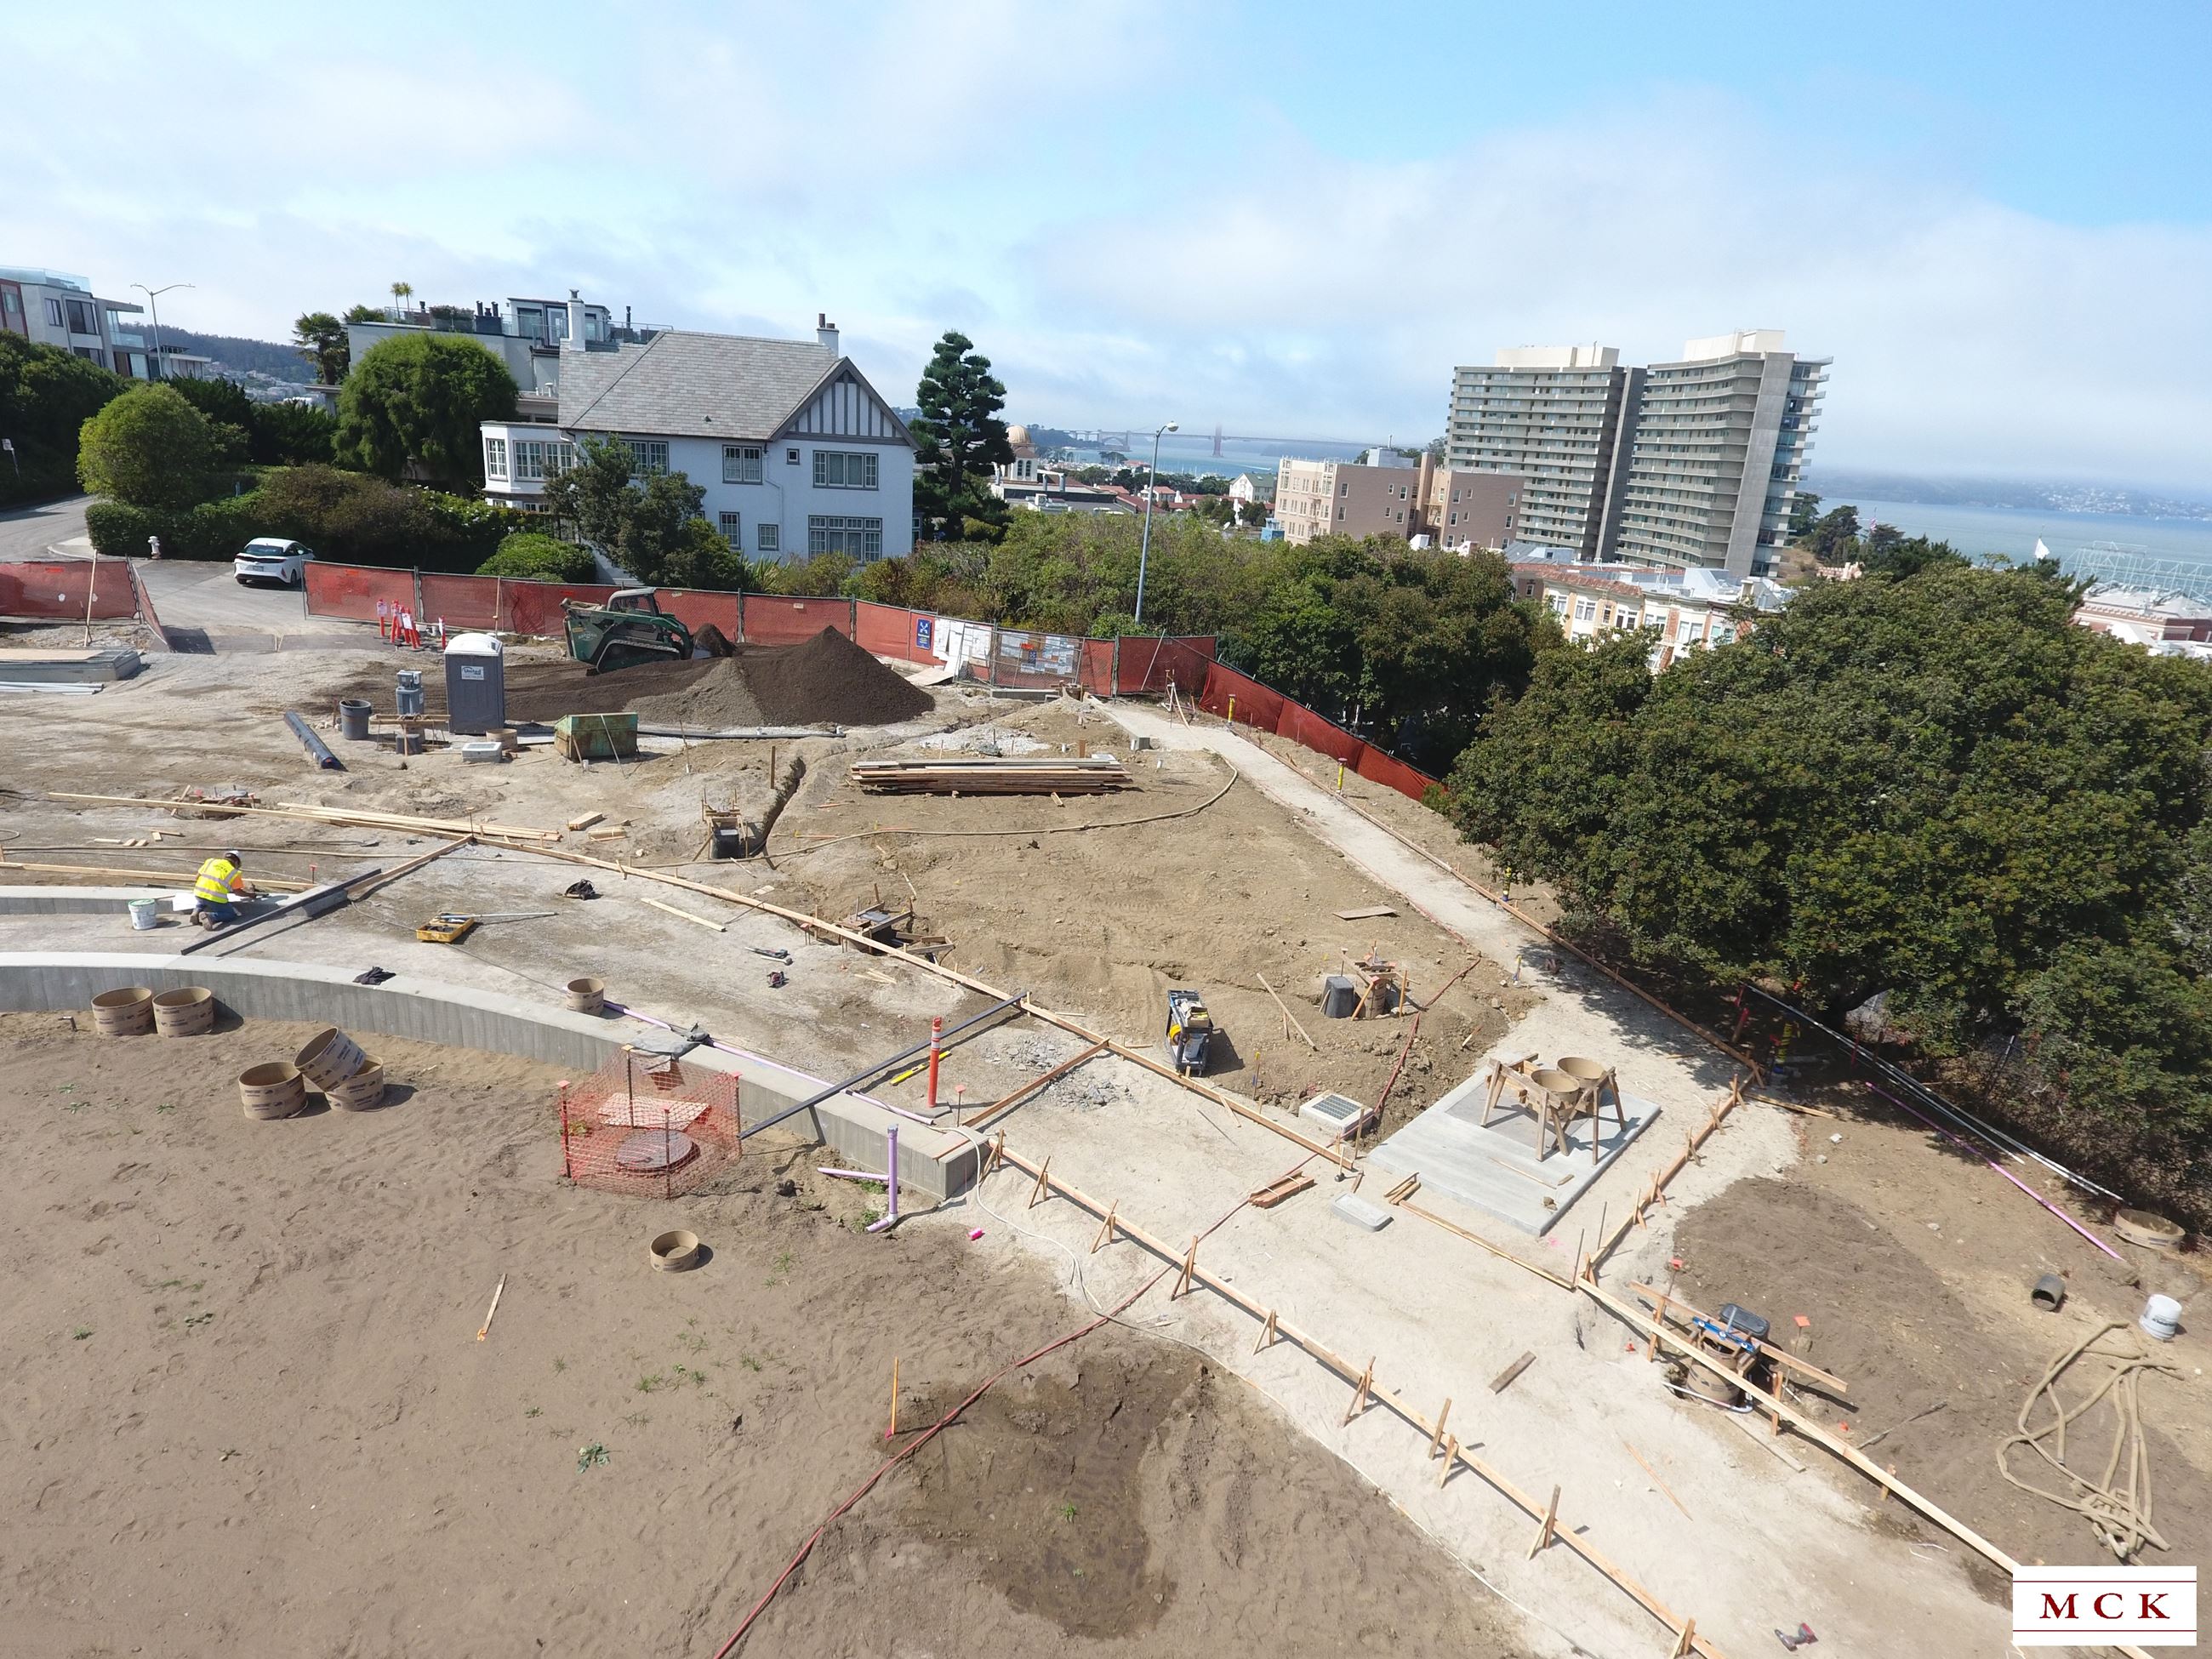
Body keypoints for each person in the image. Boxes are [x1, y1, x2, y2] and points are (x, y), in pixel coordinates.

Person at [192, 850, 256, 929]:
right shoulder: (234, 873)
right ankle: (211, 916)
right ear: (237, 862)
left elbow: (196, 877)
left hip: (198, 893)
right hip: (215, 899)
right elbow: (238, 892)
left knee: (204, 899)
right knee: (230, 914)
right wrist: (250, 895)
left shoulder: (211, 861)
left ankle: (196, 911)